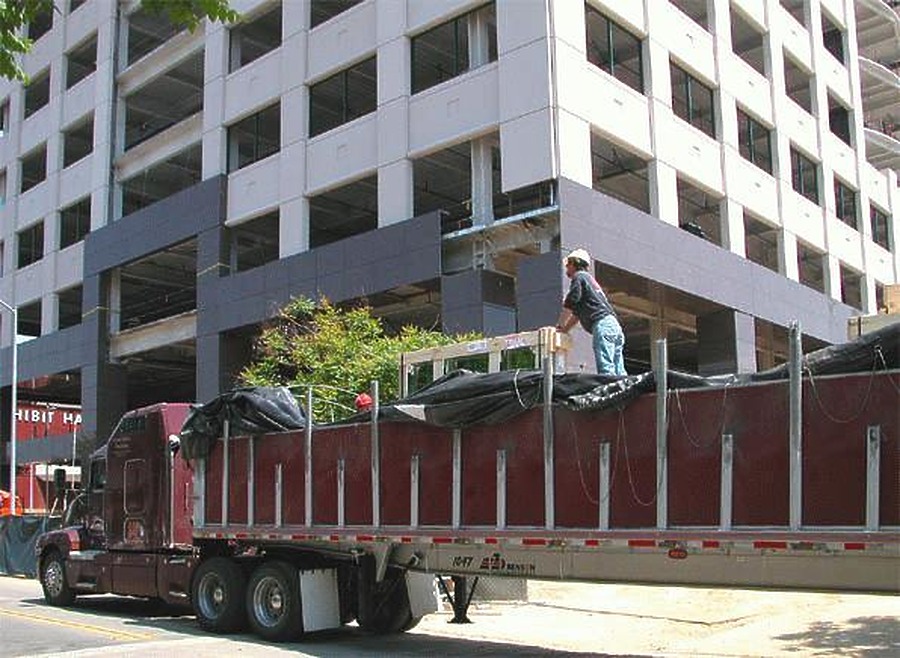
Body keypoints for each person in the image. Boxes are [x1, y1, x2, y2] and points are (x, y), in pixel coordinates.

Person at [556, 248, 627, 376]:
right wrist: (565, 330)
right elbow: (576, 314)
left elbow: (571, 302)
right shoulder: (589, 282)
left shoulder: (579, 277)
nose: (566, 267)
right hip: (614, 327)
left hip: (603, 325)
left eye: (568, 264)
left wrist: (559, 326)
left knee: (606, 370)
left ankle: (610, 389)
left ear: (575, 263)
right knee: (619, 372)